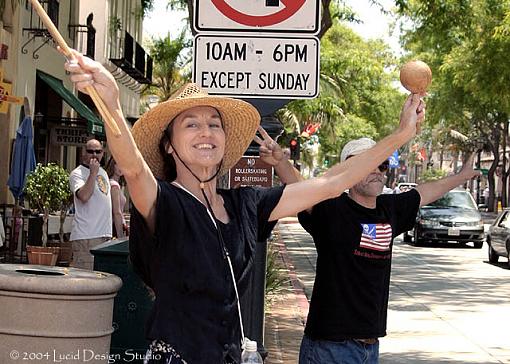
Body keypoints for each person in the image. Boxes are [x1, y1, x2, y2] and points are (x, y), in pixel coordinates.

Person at [63, 48, 423, 364]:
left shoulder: (247, 203)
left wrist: (401, 135)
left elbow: (331, 183)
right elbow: (133, 167)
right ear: (169, 146)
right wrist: (109, 103)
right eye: (191, 124)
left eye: (214, 124)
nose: (206, 131)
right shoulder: (164, 199)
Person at [273, 136, 479, 364]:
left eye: (381, 164)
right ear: (349, 174)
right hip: (330, 347)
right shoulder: (332, 209)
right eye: (367, 165)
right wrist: (280, 162)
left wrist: (461, 176)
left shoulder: (389, 209)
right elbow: (301, 189)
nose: (377, 171)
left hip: (370, 348)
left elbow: (426, 191)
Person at [69, 138, 112, 269]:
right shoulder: (77, 174)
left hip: (104, 236)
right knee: (85, 281)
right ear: (84, 153)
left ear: (102, 153)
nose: (94, 155)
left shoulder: (103, 172)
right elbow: (84, 196)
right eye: (90, 151)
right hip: (87, 236)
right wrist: (92, 173)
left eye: (98, 151)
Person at [106, 157, 128, 238]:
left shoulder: (116, 184)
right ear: (113, 166)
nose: (121, 167)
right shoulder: (114, 185)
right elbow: (117, 212)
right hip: (115, 226)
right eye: (118, 164)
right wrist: (120, 236)